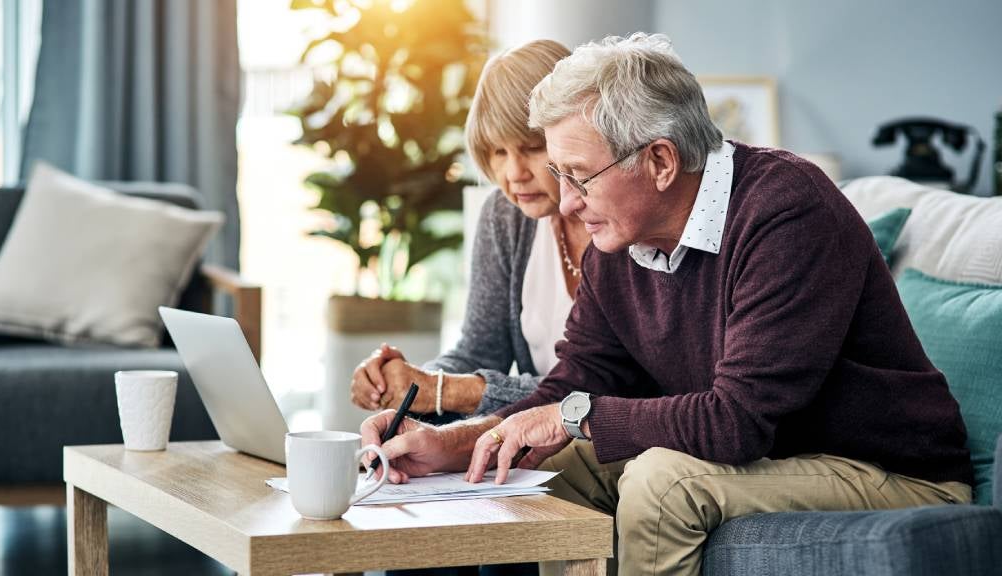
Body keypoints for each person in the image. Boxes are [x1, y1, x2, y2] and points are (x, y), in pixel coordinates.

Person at [360, 32, 974, 576]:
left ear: (659, 160)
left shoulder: (786, 211)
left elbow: (737, 421)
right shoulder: (619, 240)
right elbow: (577, 380)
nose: (567, 203)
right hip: (774, 454)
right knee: (539, 477)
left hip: (888, 470)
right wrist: (462, 441)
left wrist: (576, 416)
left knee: (660, 481)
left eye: (578, 175)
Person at [349, 39, 590, 421]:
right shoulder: (505, 215)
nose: (514, 175)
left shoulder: (620, 217)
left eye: (531, 147)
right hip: (533, 443)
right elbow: (480, 351)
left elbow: (603, 391)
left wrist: (442, 391)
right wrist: (409, 387)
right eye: (498, 152)